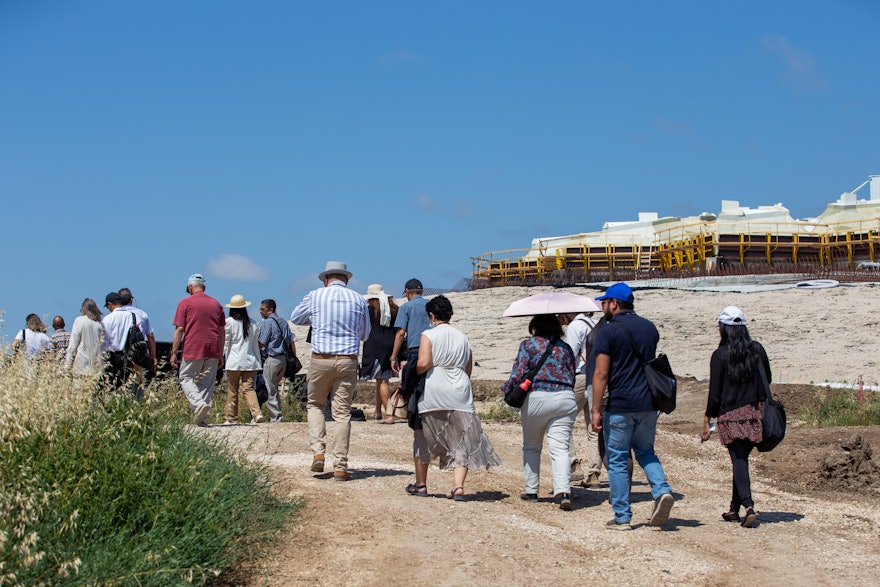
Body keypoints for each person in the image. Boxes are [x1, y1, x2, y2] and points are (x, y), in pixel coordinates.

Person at [590, 282, 674, 530]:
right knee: (646, 452)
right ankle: (662, 490)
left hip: (621, 403)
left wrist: (596, 409)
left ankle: (622, 516)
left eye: (604, 302)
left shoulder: (608, 331)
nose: (602, 307)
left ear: (614, 303)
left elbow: (601, 374)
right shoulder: (650, 328)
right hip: (649, 401)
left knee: (617, 459)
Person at [411, 295, 501, 500]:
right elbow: (468, 369)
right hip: (460, 391)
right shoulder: (463, 337)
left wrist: (412, 371)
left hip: (435, 389)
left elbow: (424, 363)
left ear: (431, 315)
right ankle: (458, 486)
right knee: (461, 441)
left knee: (423, 437)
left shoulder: (429, 334)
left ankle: (421, 484)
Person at [291, 261, 370, 481]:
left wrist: (315, 319)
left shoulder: (315, 295)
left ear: (326, 279)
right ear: (347, 279)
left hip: (320, 359)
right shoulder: (358, 299)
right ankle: (341, 466)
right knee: (342, 413)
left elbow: (296, 317)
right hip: (347, 360)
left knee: (315, 404)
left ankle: (318, 451)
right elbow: (364, 334)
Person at [701, 306, 770, 529]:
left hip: (730, 415)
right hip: (755, 412)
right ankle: (734, 508)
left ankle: (749, 505)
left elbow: (715, 392)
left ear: (723, 329)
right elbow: (767, 378)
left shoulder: (719, 355)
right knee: (740, 458)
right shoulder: (757, 349)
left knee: (738, 460)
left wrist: (708, 417)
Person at [502, 314, 577, 510]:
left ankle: (532, 490)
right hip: (565, 397)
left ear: (534, 326)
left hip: (538, 397)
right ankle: (563, 491)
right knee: (560, 448)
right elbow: (572, 374)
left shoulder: (529, 346)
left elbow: (518, 373)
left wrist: (508, 389)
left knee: (532, 446)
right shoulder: (566, 348)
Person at [170, 274, 226, 427]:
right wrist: (221, 353)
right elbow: (222, 331)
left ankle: (198, 404)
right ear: (204, 287)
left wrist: (174, 352)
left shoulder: (185, 302)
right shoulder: (216, 304)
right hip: (213, 347)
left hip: (193, 346)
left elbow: (179, 329)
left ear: (190, 287)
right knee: (207, 383)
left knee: (186, 377)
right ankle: (202, 418)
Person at [562, 311, 601, 486]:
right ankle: (594, 473)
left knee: (562, 420)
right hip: (597, 377)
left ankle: (573, 463)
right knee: (593, 426)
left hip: (580, 376)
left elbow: (570, 355)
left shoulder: (575, 326)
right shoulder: (597, 324)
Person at [360, 284, 400, 423]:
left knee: (382, 381)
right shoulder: (394, 309)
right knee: (381, 379)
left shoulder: (370, 310)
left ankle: (389, 414)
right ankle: (378, 411)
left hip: (375, 346)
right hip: (391, 344)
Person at [223, 294, 263, 424]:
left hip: (234, 362)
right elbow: (255, 345)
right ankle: (256, 414)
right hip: (250, 361)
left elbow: (226, 343)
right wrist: (259, 361)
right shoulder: (254, 324)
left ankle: (232, 417)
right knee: (249, 389)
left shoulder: (229, 322)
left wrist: (222, 358)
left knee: (232, 390)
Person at [257, 298, 296, 423]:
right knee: (274, 387)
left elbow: (261, 343)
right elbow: (291, 341)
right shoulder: (283, 322)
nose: (260, 311)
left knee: (270, 388)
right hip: (283, 359)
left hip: (272, 358)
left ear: (270, 309)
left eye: (262, 309)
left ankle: (276, 418)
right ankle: (277, 414)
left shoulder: (267, 323)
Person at [390, 278, 430, 385]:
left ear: (407, 291)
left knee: (412, 386)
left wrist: (393, 357)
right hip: (434, 348)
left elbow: (401, 333)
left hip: (416, 350)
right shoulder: (431, 304)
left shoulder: (405, 307)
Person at [102, 292, 139, 391]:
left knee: (112, 386)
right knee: (126, 385)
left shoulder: (108, 319)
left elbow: (104, 341)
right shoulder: (132, 316)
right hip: (129, 355)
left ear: (110, 304)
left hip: (112, 356)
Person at [118, 288, 159, 376]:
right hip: (137, 354)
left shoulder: (115, 315)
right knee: (137, 382)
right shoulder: (141, 314)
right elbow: (150, 336)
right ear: (131, 300)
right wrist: (153, 357)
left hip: (119, 354)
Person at [64, 298, 105, 376]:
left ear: (83, 309)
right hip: (97, 366)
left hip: (81, 365)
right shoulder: (100, 324)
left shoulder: (80, 320)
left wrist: (67, 365)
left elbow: (73, 344)